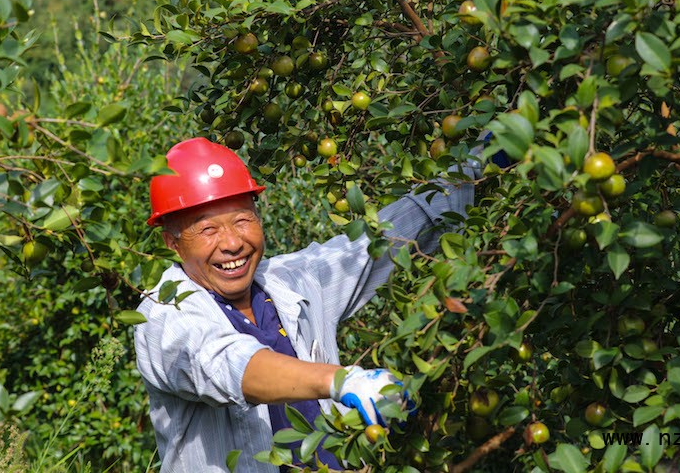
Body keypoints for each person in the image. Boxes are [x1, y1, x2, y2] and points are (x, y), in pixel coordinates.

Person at [134, 137, 480, 472]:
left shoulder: (288, 280)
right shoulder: (164, 314)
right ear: (172, 243)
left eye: (242, 220)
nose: (232, 243)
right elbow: (231, 365)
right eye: (208, 230)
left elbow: (371, 245)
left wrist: (476, 168)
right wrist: (343, 382)